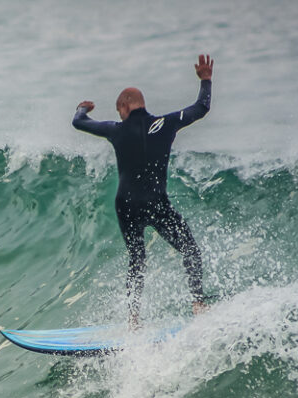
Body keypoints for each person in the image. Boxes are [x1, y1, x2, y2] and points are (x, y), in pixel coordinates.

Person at [72, 54, 213, 327]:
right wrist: (205, 80)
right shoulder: (167, 123)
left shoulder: (116, 130)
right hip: (156, 202)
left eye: (118, 110)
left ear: (124, 106)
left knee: (137, 260)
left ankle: (133, 320)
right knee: (190, 251)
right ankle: (198, 303)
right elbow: (201, 107)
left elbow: (79, 123)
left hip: (126, 205)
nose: (119, 115)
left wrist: (81, 108)